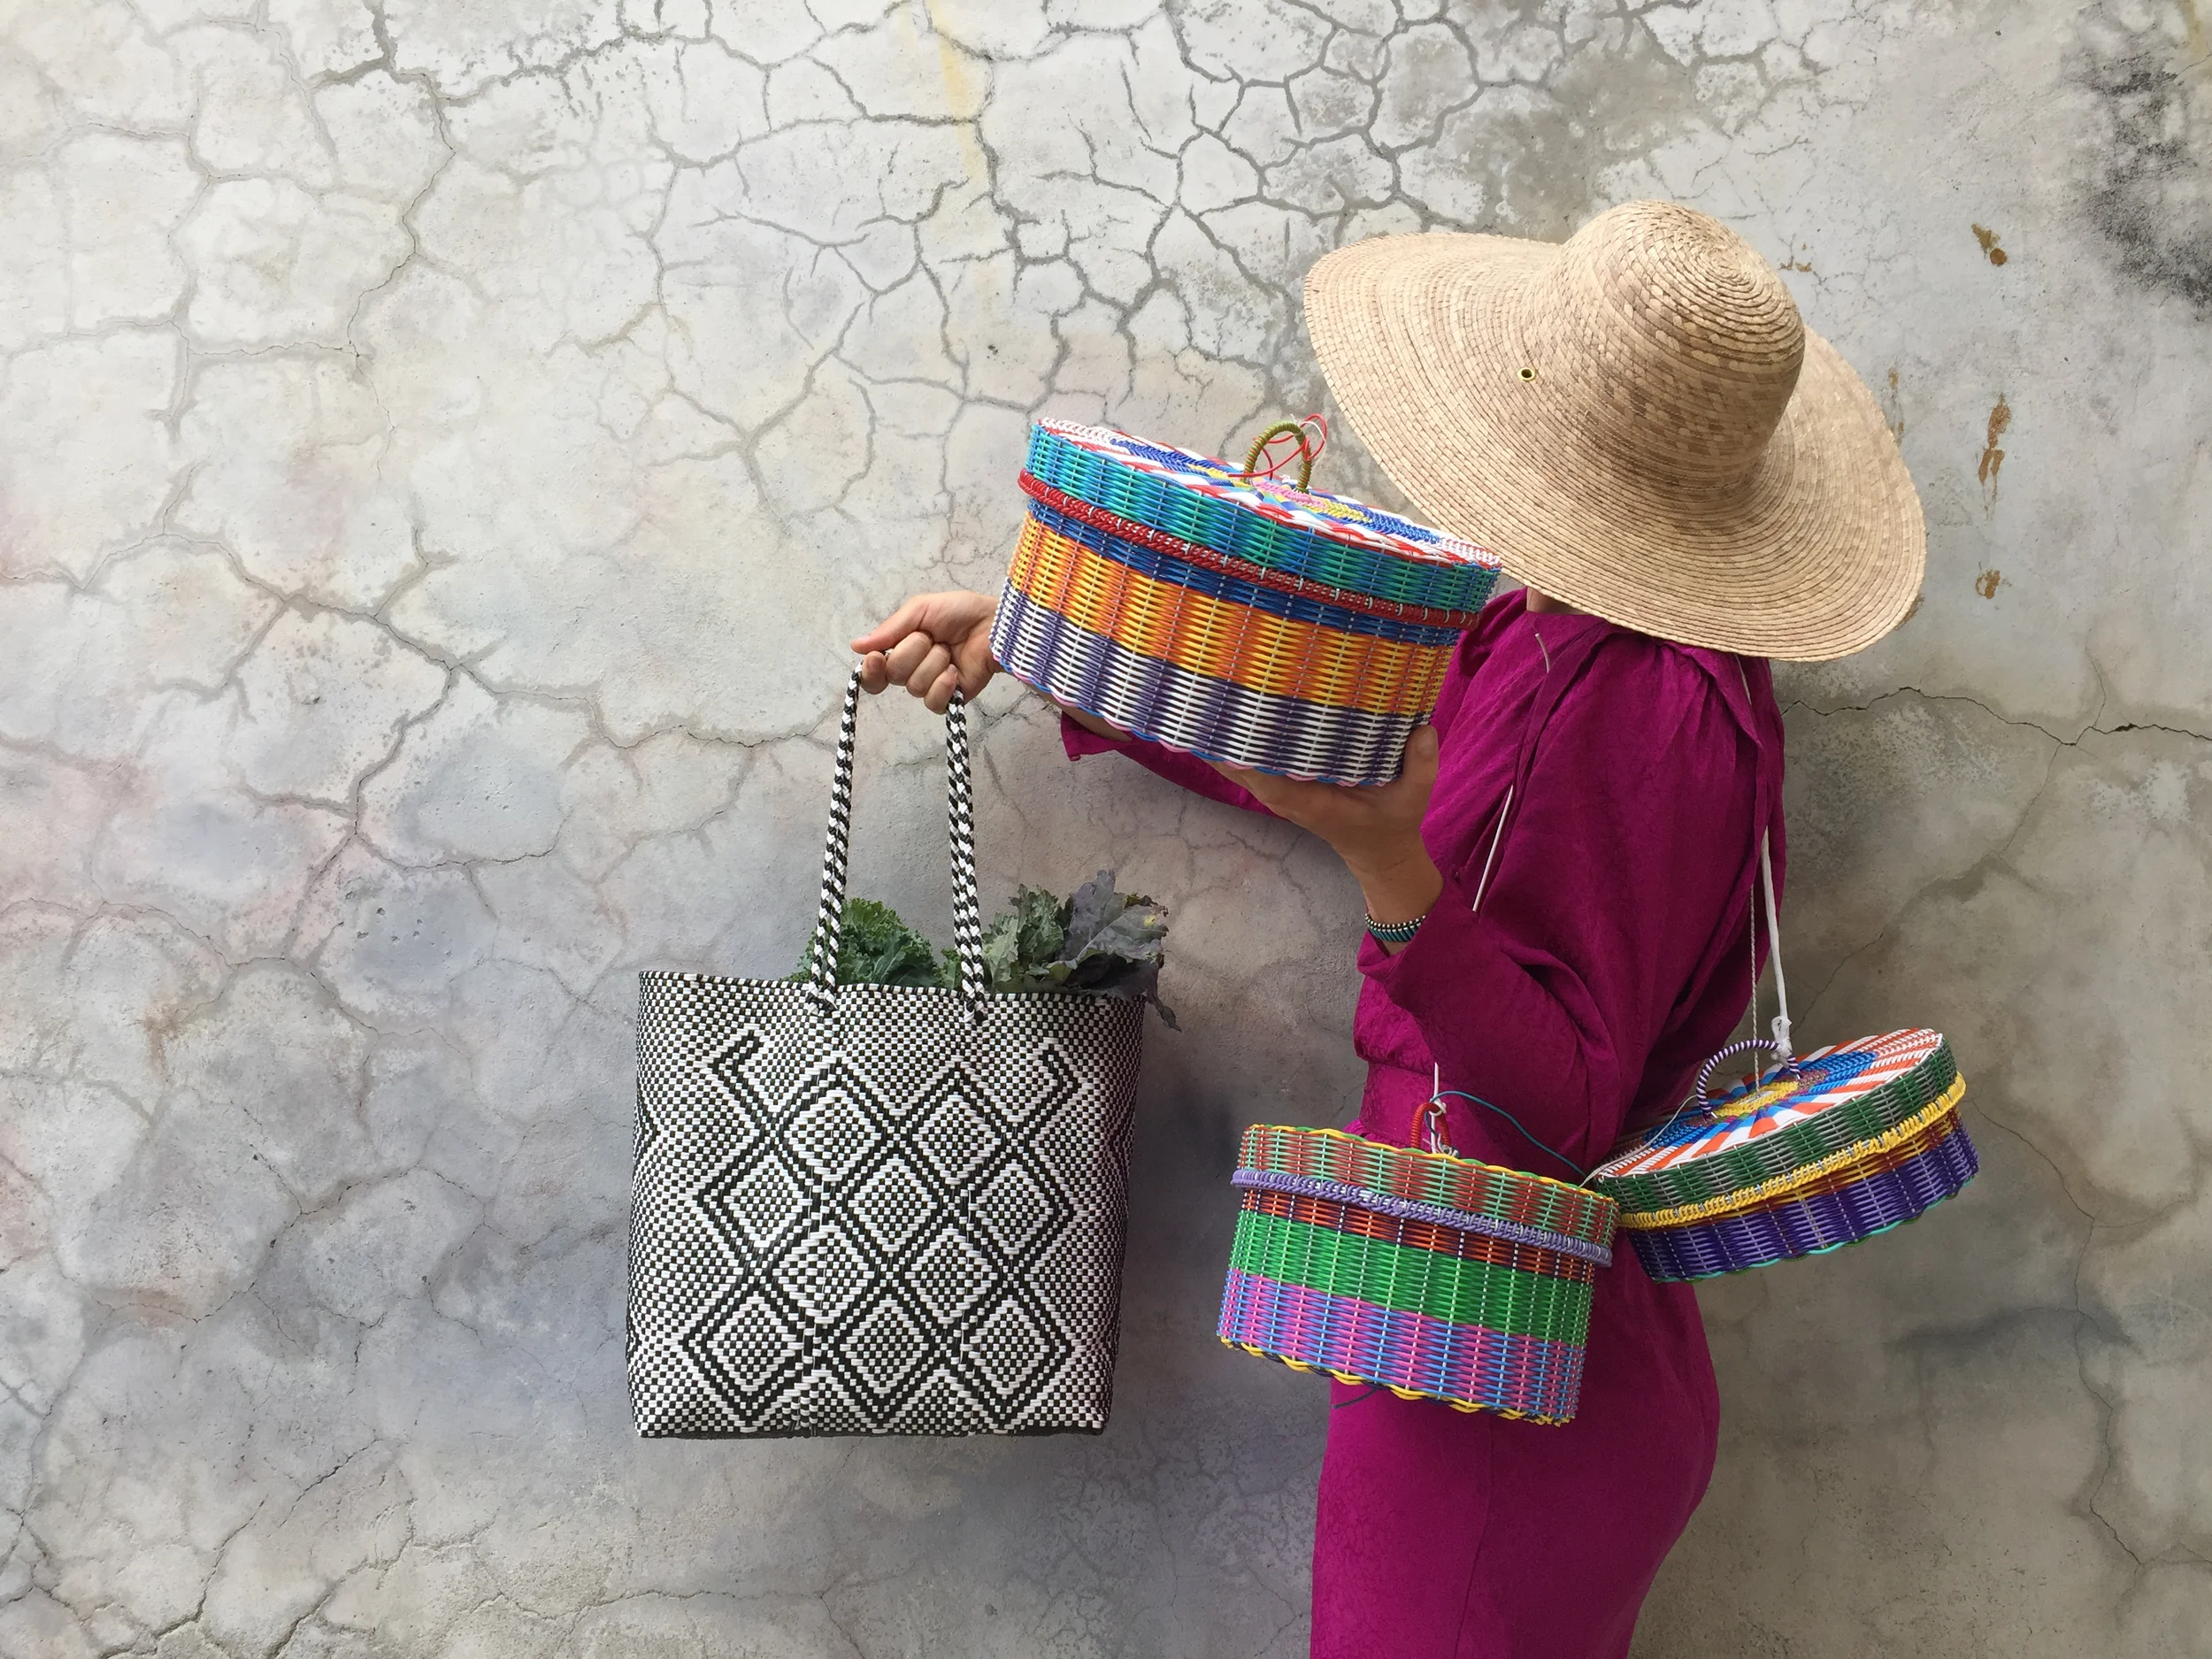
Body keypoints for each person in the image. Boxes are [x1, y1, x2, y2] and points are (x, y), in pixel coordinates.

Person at [850, 201, 1924, 1658]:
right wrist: (1048, 641)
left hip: (1504, 1387)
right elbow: (1335, 758)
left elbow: (1561, 1096)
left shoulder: (1646, 701)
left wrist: (1388, 866)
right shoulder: (1551, 632)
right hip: (1481, 1328)